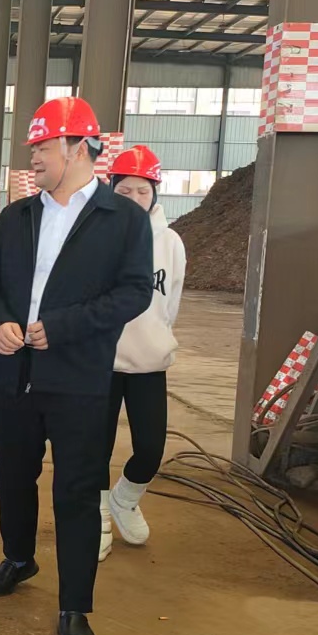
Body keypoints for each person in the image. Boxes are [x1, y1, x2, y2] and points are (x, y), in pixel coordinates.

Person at [0, 97, 153, 635]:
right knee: (12, 477)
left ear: (79, 149)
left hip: (78, 380)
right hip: (12, 375)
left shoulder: (122, 219)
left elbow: (134, 292)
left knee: (75, 491)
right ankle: (18, 557)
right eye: (33, 147)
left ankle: (75, 605)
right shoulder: (17, 216)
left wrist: (64, 327)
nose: (34, 158)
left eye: (44, 147)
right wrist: (0, 322)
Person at [100, 145, 187, 560]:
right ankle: (97, 512)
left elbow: (170, 305)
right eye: (124, 190)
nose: (134, 198)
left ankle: (125, 499)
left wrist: (153, 336)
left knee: (151, 448)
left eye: (142, 191)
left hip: (149, 362)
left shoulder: (170, 242)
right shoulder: (95, 237)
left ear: (155, 193)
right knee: (94, 447)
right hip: (100, 362)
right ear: (111, 190)